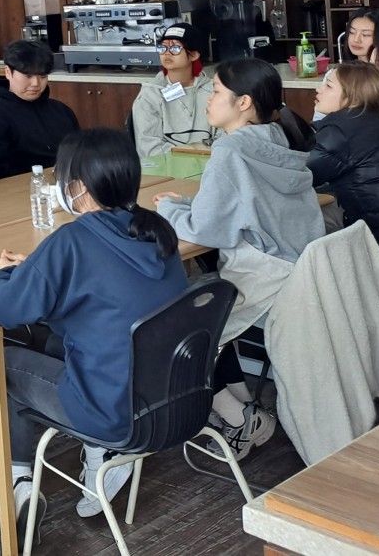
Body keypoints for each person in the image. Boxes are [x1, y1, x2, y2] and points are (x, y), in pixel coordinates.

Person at [0, 129, 188, 537]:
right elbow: (105, 293)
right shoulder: (155, 230)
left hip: (113, 411)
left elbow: (3, 309)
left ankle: (18, 486)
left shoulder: (73, 240)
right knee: (56, 342)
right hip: (171, 398)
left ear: (78, 187)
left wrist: (4, 274)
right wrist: (39, 271)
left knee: (3, 365)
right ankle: (98, 455)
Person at [153, 57, 324, 458]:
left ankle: (238, 418)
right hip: (299, 272)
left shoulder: (230, 149)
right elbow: (243, 206)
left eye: (216, 92)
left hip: (263, 279)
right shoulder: (275, 138)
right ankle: (247, 407)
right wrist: (188, 204)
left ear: (243, 103)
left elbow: (207, 231)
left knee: (173, 329)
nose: (208, 100)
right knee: (200, 306)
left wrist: (169, 209)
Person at [309, 62, 379, 283]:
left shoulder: (342, 130)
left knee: (295, 227)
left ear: (353, 98)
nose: (319, 89)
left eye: (329, 85)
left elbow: (297, 177)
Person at [0, 39, 79, 179]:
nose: (35, 83)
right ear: (8, 72)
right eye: (27, 76)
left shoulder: (62, 111)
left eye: (42, 76)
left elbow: (79, 154)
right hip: (23, 187)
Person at [130, 23, 216, 159]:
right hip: (166, 165)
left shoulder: (213, 90)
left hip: (210, 162)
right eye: (162, 47)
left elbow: (226, 136)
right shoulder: (150, 94)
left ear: (194, 54)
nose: (167, 53)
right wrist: (193, 154)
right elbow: (148, 148)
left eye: (175, 48)